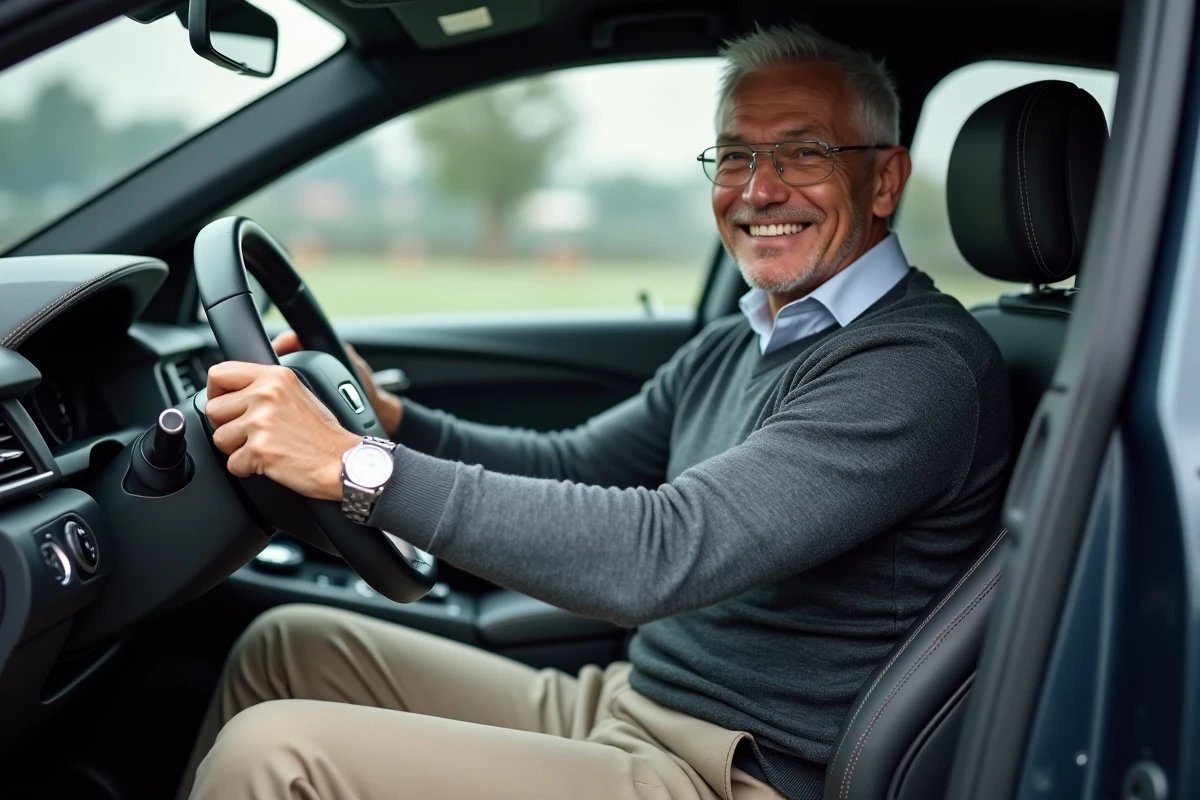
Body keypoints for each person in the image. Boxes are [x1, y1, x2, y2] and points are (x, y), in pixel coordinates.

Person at [183, 21, 1013, 800]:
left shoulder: (916, 368)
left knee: (276, 753)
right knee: (286, 646)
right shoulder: (744, 340)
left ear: (885, 181)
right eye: (734, 158)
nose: (760, 189)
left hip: (729, 772)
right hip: (629, 702)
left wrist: (350, 465)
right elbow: (571, 466)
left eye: (803, 153)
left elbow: (660, 554)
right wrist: (391, 420)